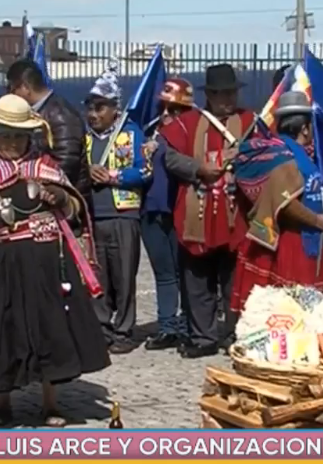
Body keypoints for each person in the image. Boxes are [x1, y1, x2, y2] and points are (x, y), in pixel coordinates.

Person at [0, 94, 109, 426]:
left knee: (49, 328)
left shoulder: (45, 166)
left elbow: (75, 209)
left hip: (44, 262)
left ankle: (51, 403)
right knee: (2, 329)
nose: (11, 143)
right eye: (5, 135)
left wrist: (60, 197)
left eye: (18, 136)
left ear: (29, 136)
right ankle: (2, 400)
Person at [161, 63, 252, 358]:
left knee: (233, 278)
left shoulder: (250, 121)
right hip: (196, 210)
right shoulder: (188, 122)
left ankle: (234, 333)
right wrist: (198, 168)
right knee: (197, 278)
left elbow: (266, 154)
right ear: (209, 95)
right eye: (220, 93)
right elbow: (171, 159)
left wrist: (244, 161)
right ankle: (203, 337)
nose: (226, 99)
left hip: (236, 211)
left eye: (230, 93)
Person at [231, 91, 323, 311]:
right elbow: (286, 202)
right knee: (294, 305)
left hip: (307, 239)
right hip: (292, 241)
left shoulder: (298, 153)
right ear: (304, 128)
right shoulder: (285, 156)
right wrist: (317, 220)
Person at [84, 61, 150, 354]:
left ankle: (124, 329)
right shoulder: (84, 139)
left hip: (124, 215)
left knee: (124, 275)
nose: (93, 114)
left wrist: (114, 177)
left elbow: (145, 171)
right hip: (93, 216)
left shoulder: (131, 134)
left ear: (115, 109)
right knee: (97, 275)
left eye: (100, 108)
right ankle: (100, 327)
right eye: (90, 108)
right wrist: (87, 173)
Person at [139, 78, 198, 350]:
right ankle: (167, 327)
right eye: (163, 107)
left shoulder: (192, 134)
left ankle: (187, 324)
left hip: (180, 208)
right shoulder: (149, 132)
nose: (166, 114)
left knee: (183, 270)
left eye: (173, 109)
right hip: (151, 209)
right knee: (163, 272)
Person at [6, 59, 90, 208]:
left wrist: (40, 184)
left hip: (64, 205)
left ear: (25, 87)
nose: (11, 96)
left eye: (13, 90)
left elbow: (66, 163)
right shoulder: (37, 112)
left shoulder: (60, 114)